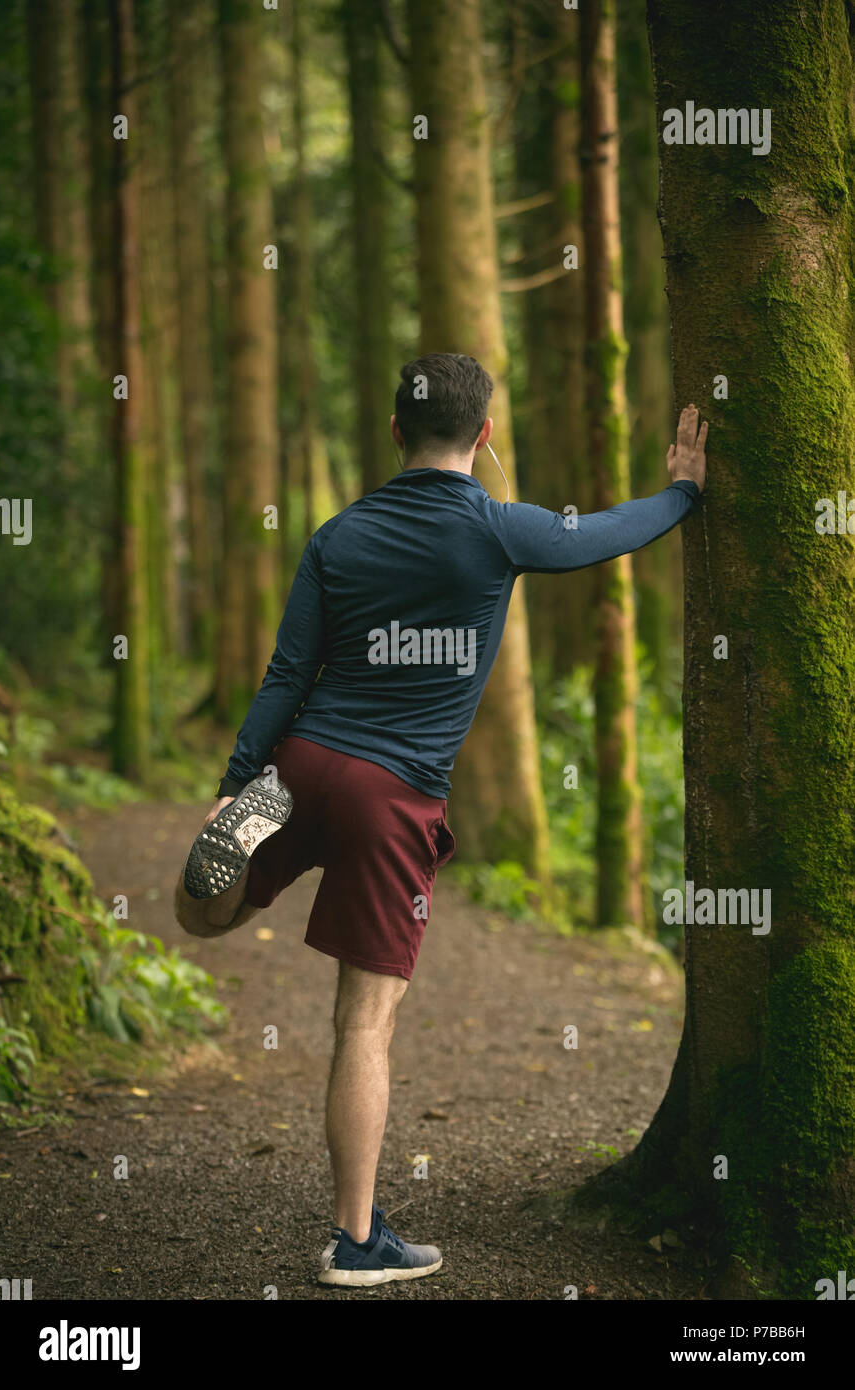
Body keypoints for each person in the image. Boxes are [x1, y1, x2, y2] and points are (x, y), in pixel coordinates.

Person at [174, 352, 708, 1287]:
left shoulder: (337, 536)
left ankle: (214, 877)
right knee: (364, 1024)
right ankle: (354, 1239)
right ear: (485, 434)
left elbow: (287, 674)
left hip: (301, 763)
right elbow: (606, 534)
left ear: (393, 435)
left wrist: (234, 780)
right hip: (393, 797)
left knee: (202, 912)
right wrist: (682, 493)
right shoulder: (501, 530)